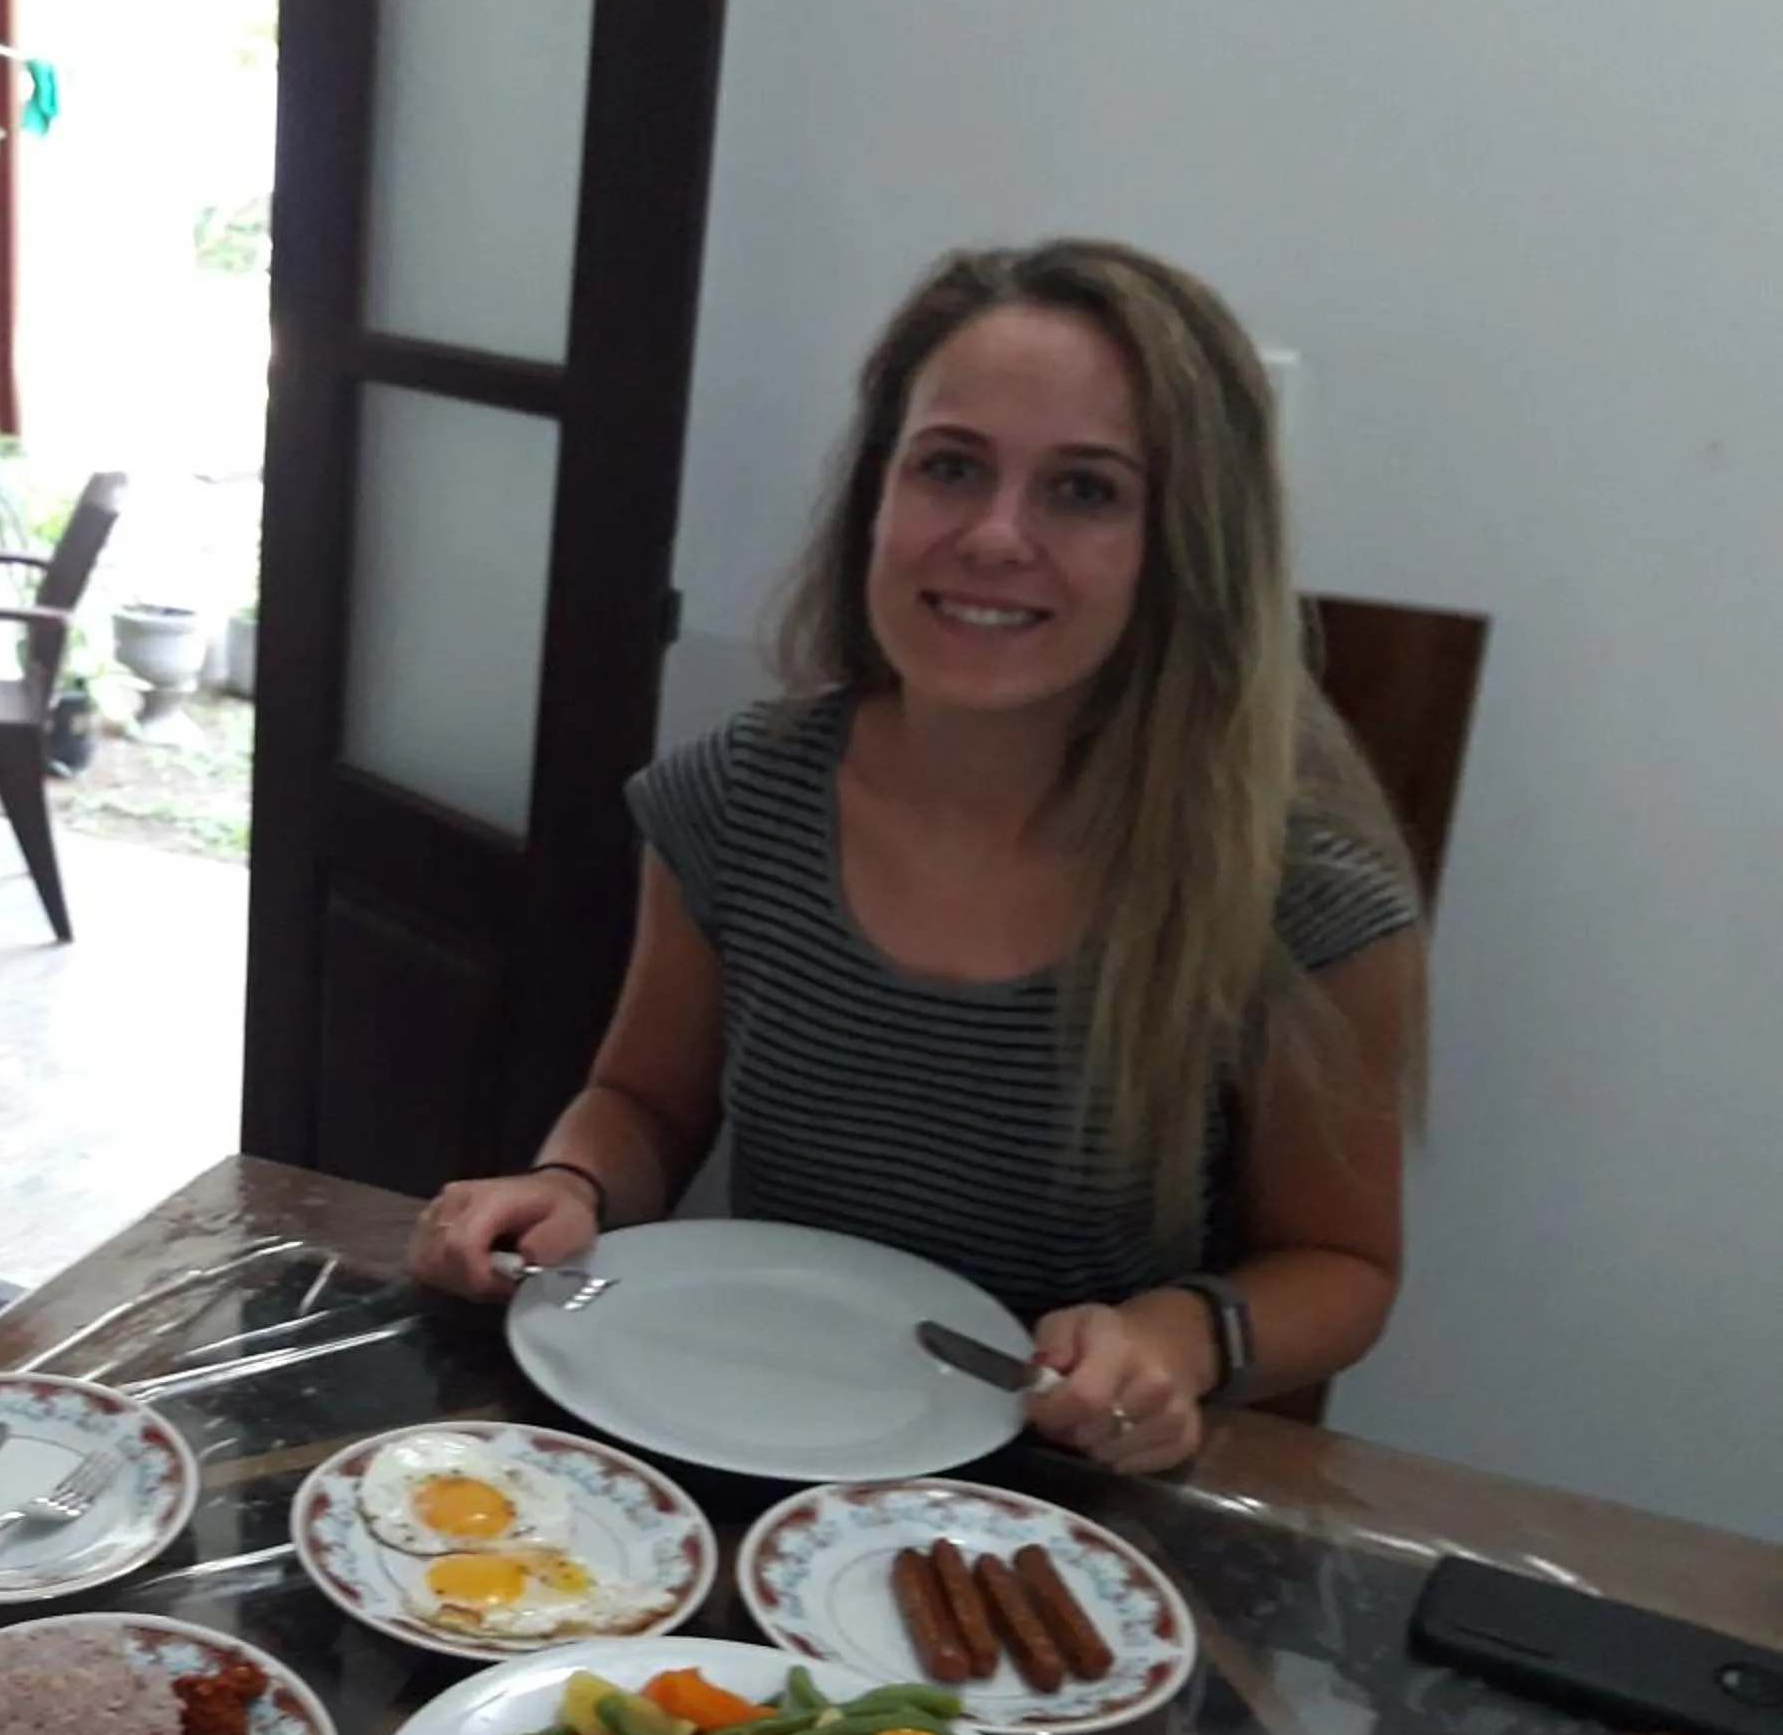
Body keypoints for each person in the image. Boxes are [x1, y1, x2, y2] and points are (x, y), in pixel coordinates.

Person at [412, 240, 1423, 1477]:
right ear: (876, 498)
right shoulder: (739, 796)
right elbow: (646, 1103)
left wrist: (1178, 1339)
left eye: (1085, 491)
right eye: (951, 468)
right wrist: (568, 1185)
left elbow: (1346, 1267)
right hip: (749, 1432)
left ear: (1187, 548)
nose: (996, 537)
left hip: (1059, 1496)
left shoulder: (1302, 900)